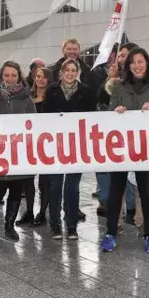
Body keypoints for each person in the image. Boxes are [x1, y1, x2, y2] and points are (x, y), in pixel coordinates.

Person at [101, 47, 149, 254]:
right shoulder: (119, 87)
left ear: (147, 63)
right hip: (121, 148)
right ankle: (110, 232)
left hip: (146, 148)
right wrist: (116, 111)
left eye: (141, 61)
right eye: (133, 62)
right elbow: (110, 113)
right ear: (128, 66)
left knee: (146, 190)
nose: (137, 66)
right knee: (115, 190)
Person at [41, 59, 96, 240]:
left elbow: (91, 118)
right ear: (62, 72)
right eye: (67, 70)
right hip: (56, 145)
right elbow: (46, 117)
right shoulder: (52, 90)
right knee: (55, 186)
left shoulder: (86, 92)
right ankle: (55, 224)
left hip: (77, 146)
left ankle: (71, 224)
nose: (70, 73)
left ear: (77, 72)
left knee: (72, 187)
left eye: (74, 70)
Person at [0, 61, 36, 241]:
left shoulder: (27, 98)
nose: (10, 79)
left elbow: (33, 124)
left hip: (18, 152)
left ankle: (9, 226)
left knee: (15, 191)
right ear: (1, 76)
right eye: (7, 75)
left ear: (19, 77)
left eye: (14, 75)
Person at [96, 43, 139, 219]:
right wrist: (110, 81)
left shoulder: (141, 79)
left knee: (132, 171)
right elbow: (101, 97)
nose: (123, 58)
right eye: (120, 55)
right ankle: (112, 205)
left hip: (134, 134)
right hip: (114, 134)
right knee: (114, 171)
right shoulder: (112, 79)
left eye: (127, 55)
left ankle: (131, 207)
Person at [29, 66, 54, 227]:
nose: (40, 79)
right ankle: (29, 211)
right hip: (30, 143)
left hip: (47, 144)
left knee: (45, 181)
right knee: (28, 181)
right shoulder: (28, 97)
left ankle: (43, 212)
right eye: (38, 76)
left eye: (44, 77)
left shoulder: (52, 97)